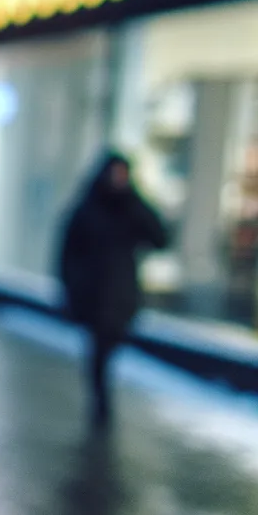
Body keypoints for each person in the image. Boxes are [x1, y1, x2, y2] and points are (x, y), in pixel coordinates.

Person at [56, 152, 168, 427]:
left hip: (122, 295)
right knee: (100, 348)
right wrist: (71, 289)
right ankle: (101, 402)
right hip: (93, 294)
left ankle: (101, 398)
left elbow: (160, 238)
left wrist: (136, 200)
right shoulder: (87, 209)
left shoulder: (131, 209)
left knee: (111, 343)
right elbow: (68, 253)